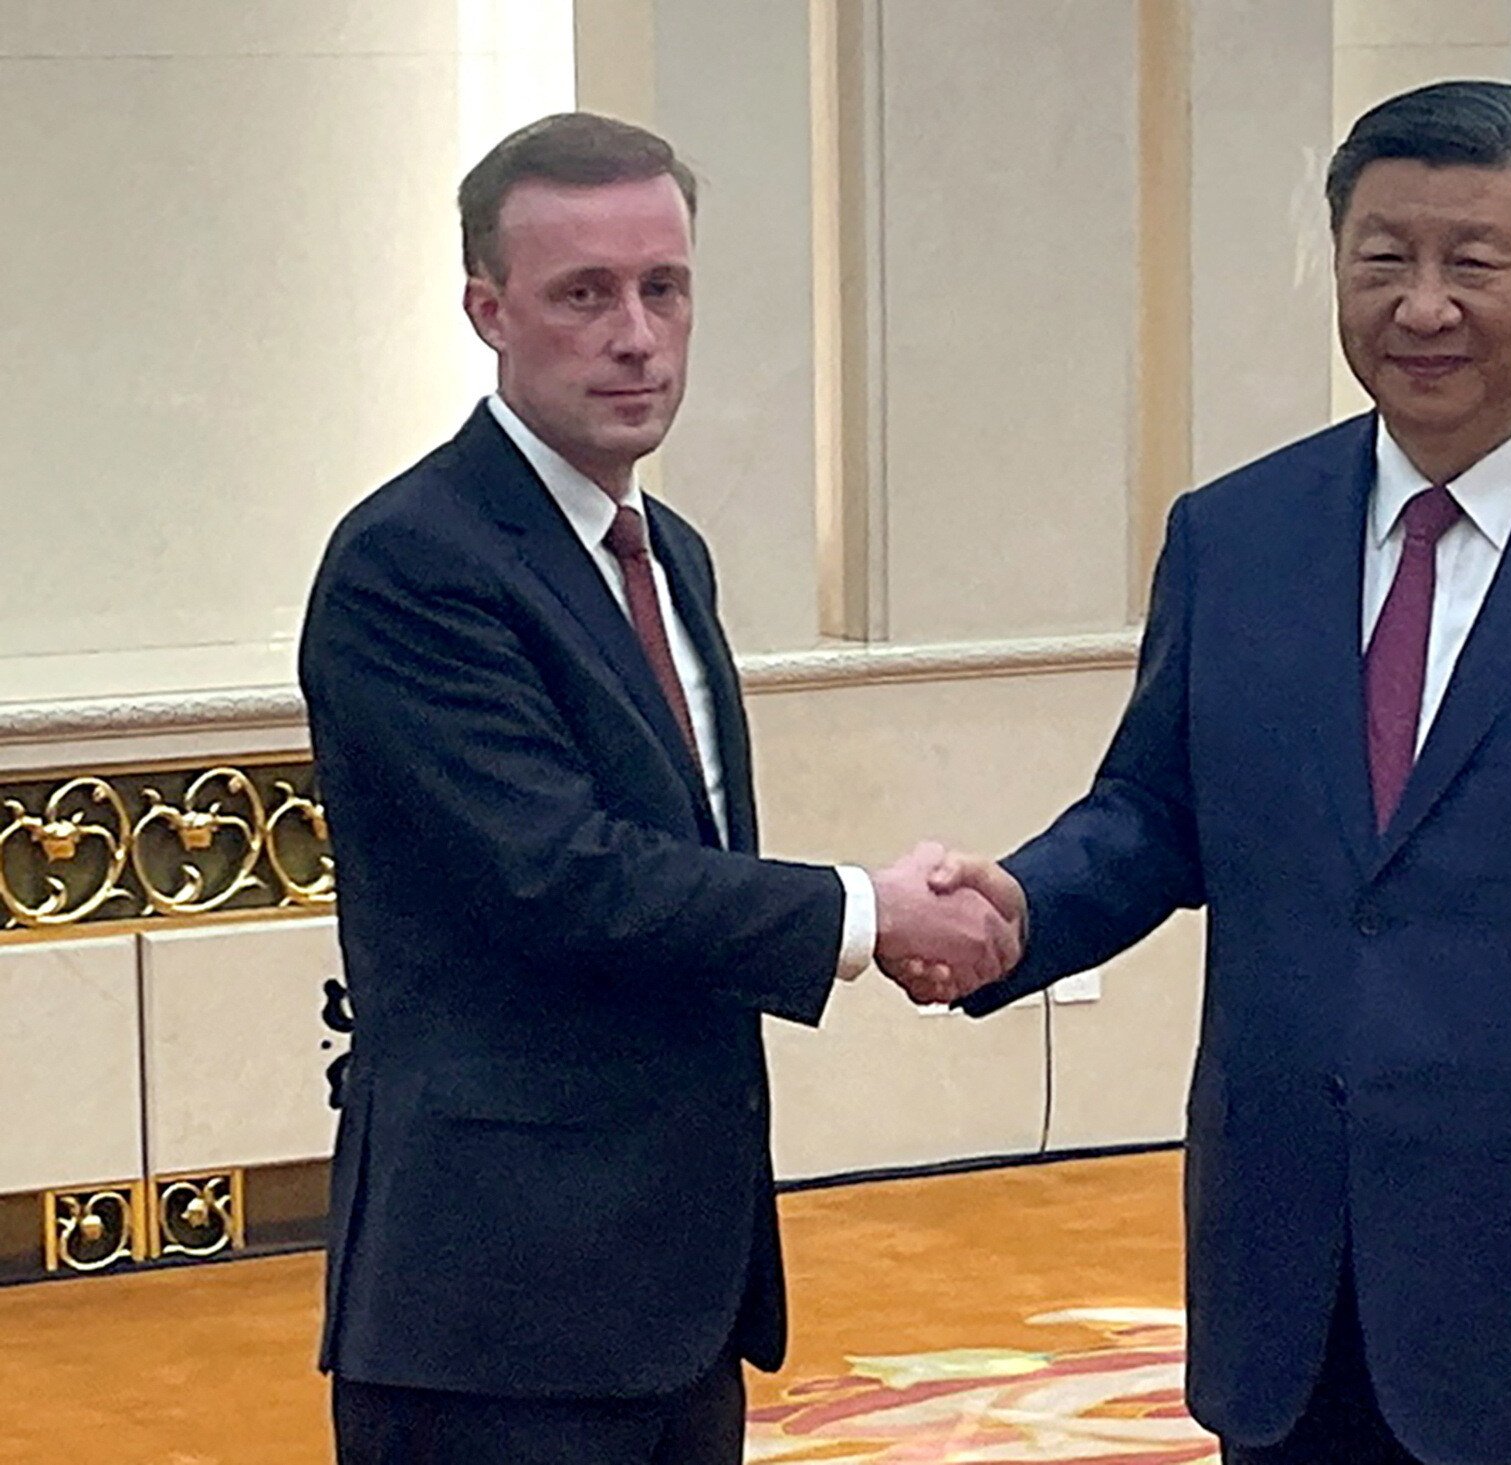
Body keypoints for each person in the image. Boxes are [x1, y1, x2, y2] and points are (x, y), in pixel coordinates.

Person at [913, 80, 1511, 1465]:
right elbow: (1156, 811)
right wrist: (1019, 908)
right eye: (1382, 259)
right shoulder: (1236, 534)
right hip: (1291, 1272)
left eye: (1471, 261)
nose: (1422, 306)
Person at [298, 112, 1014, 1465]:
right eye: (586, 294)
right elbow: (561, 877)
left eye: (664, 287)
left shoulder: (665, 550)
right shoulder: (411, 561)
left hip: (676, 1296)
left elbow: (678, 857)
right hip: (495, 1310)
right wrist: (868, 914)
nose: (637, 333)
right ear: (487, 310)